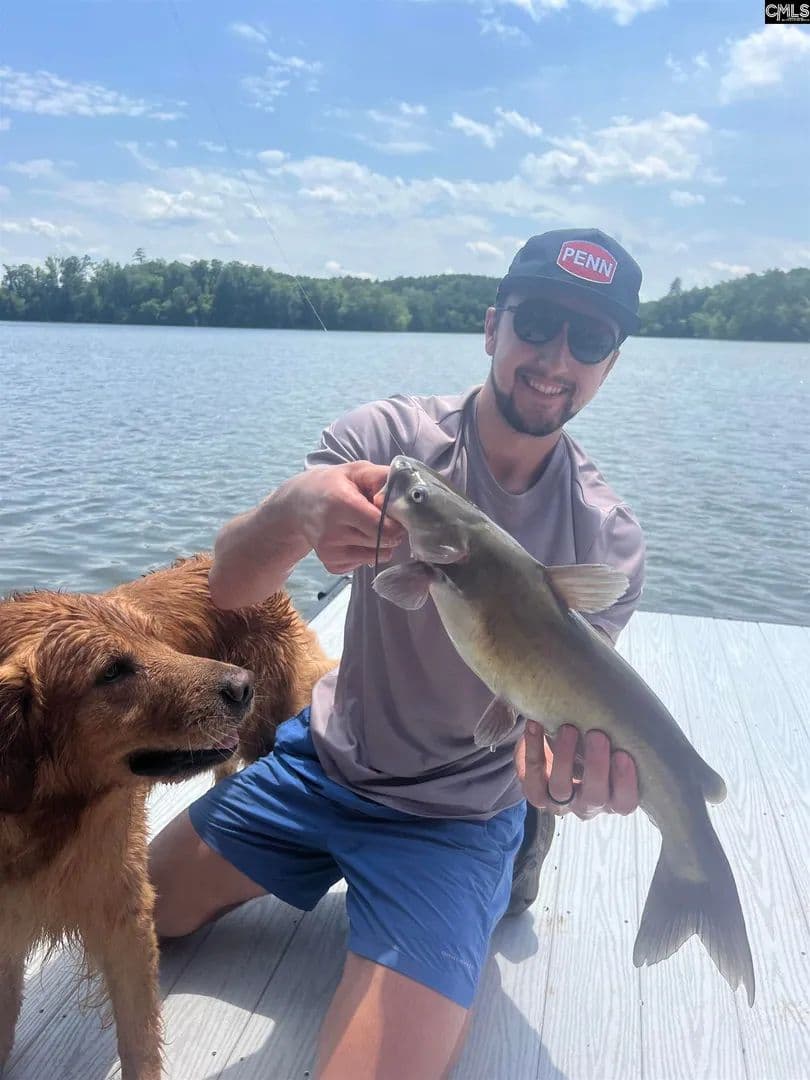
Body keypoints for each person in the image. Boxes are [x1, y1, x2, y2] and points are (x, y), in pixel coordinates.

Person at [149, 228, 646, 1079]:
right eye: (535, 323)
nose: (555, 357)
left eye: (590, 337)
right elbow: (230, 585)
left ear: (610, 363)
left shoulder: (605, 539)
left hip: (454, 823)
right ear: (492, 326)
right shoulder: (387, 441)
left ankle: (513, 848)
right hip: (323, 767)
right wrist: (295, 511)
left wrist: (556, 778)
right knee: (137, 911)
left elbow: (550, 710)